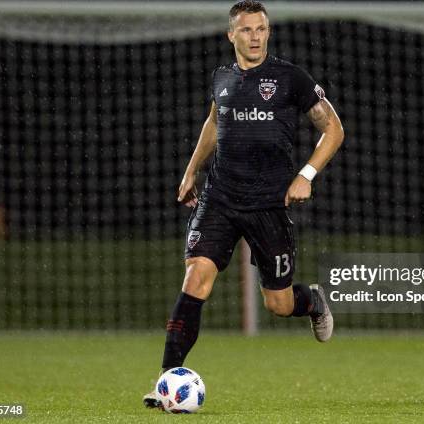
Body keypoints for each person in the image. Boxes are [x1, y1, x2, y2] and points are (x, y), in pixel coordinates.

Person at [144, 0, 344, 408]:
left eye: (261, 29)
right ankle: (165, 381)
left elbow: (334, 129)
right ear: (230, 34)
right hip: (219, 198)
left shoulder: (291, 79)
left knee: (279, 303)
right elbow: (214, 124)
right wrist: (190, 173)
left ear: (268, 32)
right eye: (246, 29)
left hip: (269, 205)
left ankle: (313, 301)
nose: (255, 37)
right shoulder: (222, 78)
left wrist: (306, 175)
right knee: (195, 278)